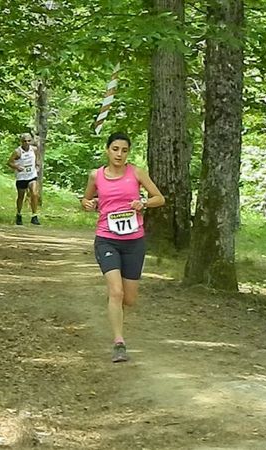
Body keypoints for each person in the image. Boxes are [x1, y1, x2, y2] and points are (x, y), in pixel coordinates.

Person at [81, 132, 165, 363]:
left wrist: (144, 202)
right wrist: (89, 203)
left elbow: (160, 198)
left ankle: (114, 304)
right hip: (106, 239)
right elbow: (87, 201)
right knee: (116, 292)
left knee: (128, 299)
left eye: (124, 150)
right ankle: (119, 343)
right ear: (108, 150)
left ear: (128, 152)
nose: (119, 154)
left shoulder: (136, 173)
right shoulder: (96, 175)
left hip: (134, 242)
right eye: (115, 149)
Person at [7, 133, 41, 225]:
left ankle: (34, 216)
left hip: (32, 175)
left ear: (31, 141)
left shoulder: (34, 149)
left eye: (29, 141)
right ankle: (18, 214)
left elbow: (37, 159)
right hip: (21, 177)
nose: (27, 143)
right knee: (21, 196)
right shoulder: (17, 152)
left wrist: (37, 167)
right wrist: (16, 167)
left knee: (34, 193)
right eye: (24, 141)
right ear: (21, 142)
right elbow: (9, 162)